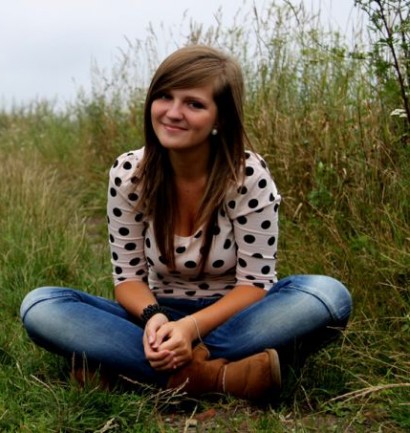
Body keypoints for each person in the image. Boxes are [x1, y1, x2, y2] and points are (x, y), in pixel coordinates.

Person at [19, 45, 352, 400]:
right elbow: (128, 279)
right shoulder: (129, 174)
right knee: (41, 306)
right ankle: (214, 375)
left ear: (220, 118)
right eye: (165, 96)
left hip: (236, 318)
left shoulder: (247, 174)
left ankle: (136, 369)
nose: (173, 113)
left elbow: (255, 284)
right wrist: (155, 318)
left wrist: (191, 329)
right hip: (157, 314)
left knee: (328, 296)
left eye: (194, 104)